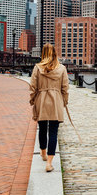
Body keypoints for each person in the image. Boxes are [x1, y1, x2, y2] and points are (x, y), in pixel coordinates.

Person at [29, 43, 69, 172]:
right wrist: (64, 102)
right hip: (56, 100)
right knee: (53, 131)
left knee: (42, 128)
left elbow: (33, 87)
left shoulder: (37, 68)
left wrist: (32, 99)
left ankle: (43, 153)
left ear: (43, 54)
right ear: (54, 53)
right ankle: (49, 163)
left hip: (41, 99)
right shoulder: (62, 68)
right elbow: (65, 88)